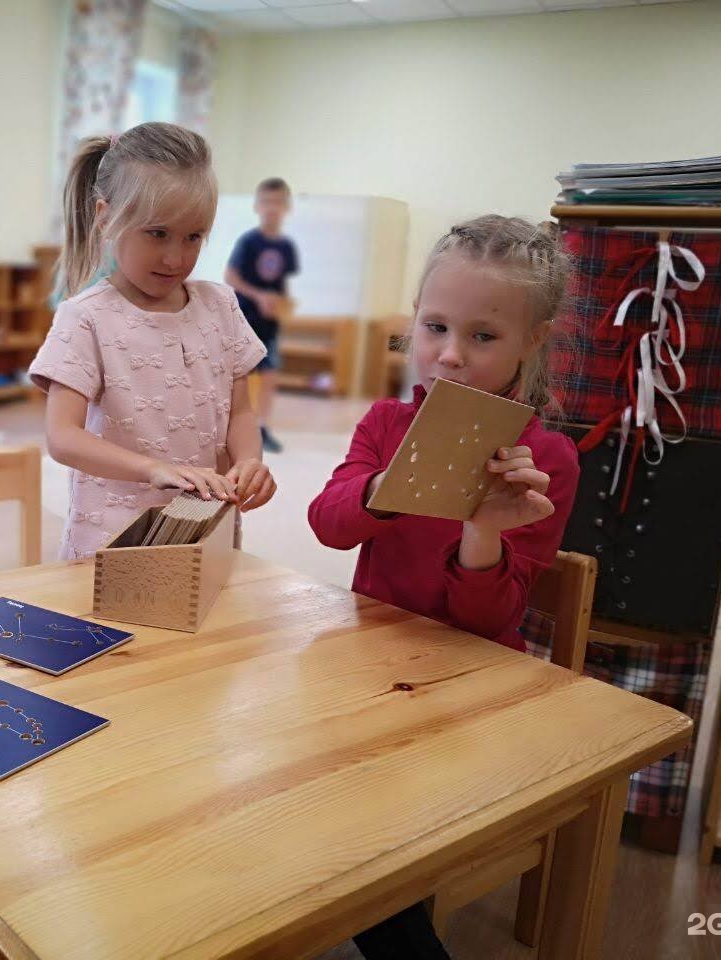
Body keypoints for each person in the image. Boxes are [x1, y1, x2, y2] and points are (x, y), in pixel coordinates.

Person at [308, 215, 580, 959]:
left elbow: (488, 619)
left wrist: (484, 527)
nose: (451, 356)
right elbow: (329, 524)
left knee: (365, 818)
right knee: (294, 768)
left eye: (484, 337)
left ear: (534, 341)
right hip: (374, 668)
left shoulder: (546, 457)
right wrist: (392, 487)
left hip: (474, 683)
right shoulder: (387, 423)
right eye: (434, 327)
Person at [30, 122, 278, 560]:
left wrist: (249, 462)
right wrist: (153, 469)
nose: (176, 257)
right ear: (106, 218)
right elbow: (62, 437)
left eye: (193, 237)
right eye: (157, 233)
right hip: (114, 539)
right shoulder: (86, 317)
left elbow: (240, 413)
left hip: (205, 527)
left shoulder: (221, 306)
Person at [224, 177, 299, 454]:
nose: (272, 208)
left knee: (270, 376)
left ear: (286, 207)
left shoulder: (286, 247)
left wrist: (281, 303)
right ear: (257, 205)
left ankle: (263, 427)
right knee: (240, 378)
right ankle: (232, 429)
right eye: (267, 202)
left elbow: (282, 283)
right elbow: (231, 277)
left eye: (278, 202)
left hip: (270, 324)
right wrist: (258, 296)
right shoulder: (249, 241)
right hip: (245, 320)